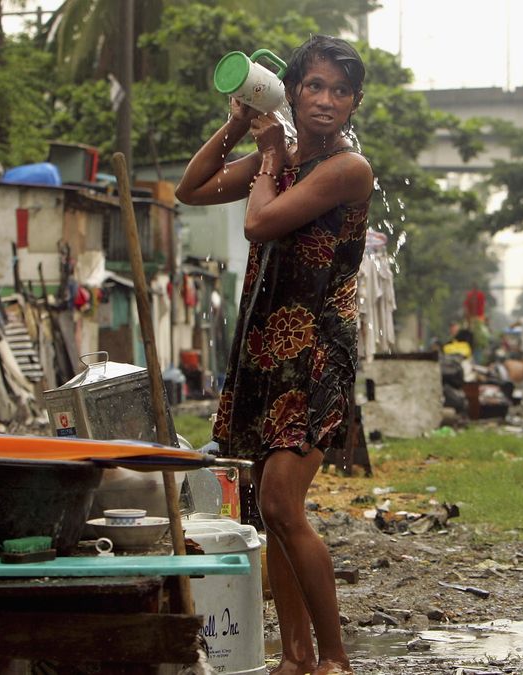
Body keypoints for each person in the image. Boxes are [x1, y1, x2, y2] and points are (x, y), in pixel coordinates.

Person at [175, 34, 370, 675]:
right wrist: (236, 122)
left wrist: (265, 159)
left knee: (284, 502)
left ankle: (334, 660)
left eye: (340, 91)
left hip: (317, 349)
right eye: (313, 86)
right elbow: (192, 188)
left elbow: (260, 223)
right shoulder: (280, 157)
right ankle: (294, 657)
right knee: (268, 505)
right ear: (291, 92)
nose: (325, 100)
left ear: (354, 104)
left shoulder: (346, 170)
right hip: (265, 344)